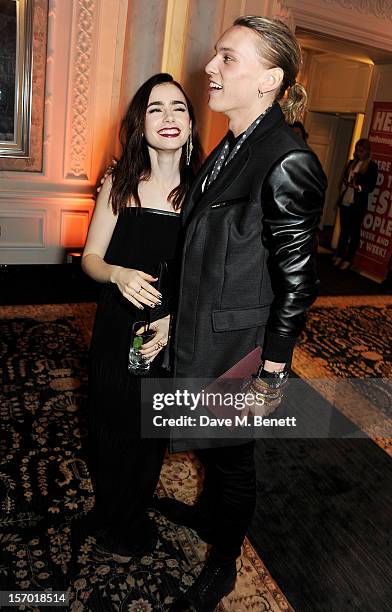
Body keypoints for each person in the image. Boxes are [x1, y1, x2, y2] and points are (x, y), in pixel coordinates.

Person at [156, 16, 326, 612]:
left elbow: (299, 282)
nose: (210, 67)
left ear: (269, 79)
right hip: (206, 328)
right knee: (209, 442)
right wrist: (173, 318)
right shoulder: (232, 143)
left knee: (231, 457)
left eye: (229, 59)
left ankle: (223, 565)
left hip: (242, 346)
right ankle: (207, 516)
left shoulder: (287, 160)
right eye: (216, 56)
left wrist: (273, 373)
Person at [79, 73, 202, 557]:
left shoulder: (201, 196)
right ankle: (111, 509)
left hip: (167, 333)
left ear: (191, 125)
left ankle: (130, 515)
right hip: (115, 327)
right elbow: (90, 258)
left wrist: (173, 324)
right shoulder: (119, 182)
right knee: (108, 424)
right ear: (140, 124)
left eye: (178, 108)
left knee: (149, 433)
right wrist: (117, 274)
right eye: (156, 108)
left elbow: (206, 280)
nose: (168, 117)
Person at [333, 138, 378, 270]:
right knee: (344, 230)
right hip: (346, 200)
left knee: (354, 232)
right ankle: (340, 254)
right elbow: (344, 180)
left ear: (367, 152)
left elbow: (371, 187)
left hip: (358, 203)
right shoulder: (352, 163)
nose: (359, 153)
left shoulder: (371, 166)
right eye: (357, 150)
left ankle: (348, 258)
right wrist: (347, 184)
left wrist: (358, 187)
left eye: (362, 151)